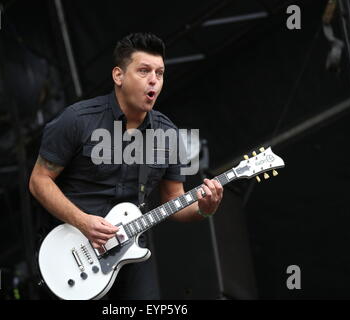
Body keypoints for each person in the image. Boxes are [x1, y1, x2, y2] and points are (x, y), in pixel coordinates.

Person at [29, 32, 223, 300]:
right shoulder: (77, 120)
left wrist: (205, 209)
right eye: (144, 71)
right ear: (118, 76)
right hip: (72, 251)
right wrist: (83, 221)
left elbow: (175, 200)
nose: (154, 79)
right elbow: (38, 181)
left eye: (160, 72)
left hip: (130, 252)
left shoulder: (168, 135)